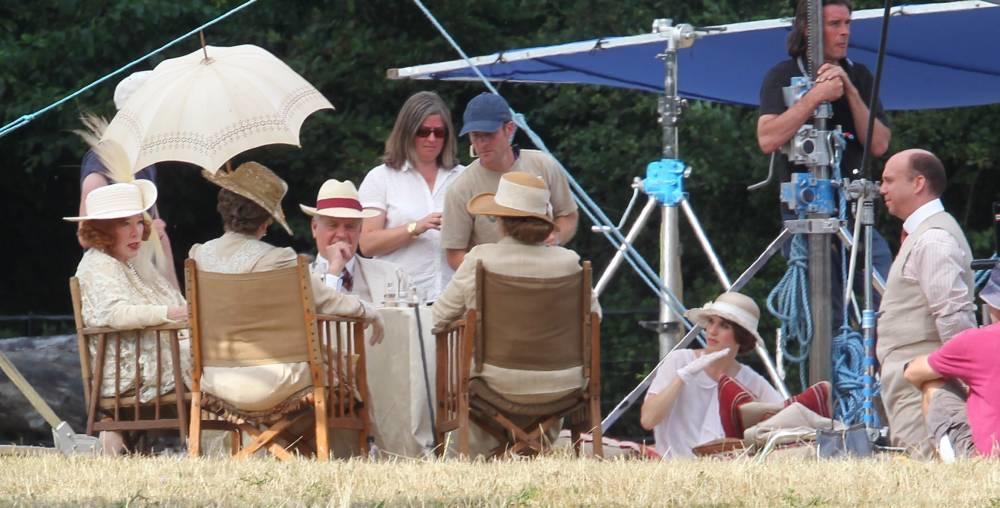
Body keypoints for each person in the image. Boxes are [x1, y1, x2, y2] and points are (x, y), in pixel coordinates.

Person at [189, 162, 384, 413]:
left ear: (223, 209)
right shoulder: (279, 259)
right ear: (267, 219)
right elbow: (329, 301)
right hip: (274, 381)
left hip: (213, 378)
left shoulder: (198, 255)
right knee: (338, 363)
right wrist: (371, 311)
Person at [432, 171, 600, 455]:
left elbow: (439, 318)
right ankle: (533, 446)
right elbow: (596, 319)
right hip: (563, 385)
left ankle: (480, 453)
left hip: (495, 384)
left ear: (500, 221)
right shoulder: (570, 263)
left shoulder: (480, 259)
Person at [756, 0, 892, 327]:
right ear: (810, 27)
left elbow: (879, 143)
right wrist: (814, 97)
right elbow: (767, 139)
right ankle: (835, 372)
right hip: (804, 208)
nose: (844, 31)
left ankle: (882, 367)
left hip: (854, 207)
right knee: (825, 311)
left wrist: (848, 90)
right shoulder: (782, 75)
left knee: (888, 293)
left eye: (847, 23)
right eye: (834, 24)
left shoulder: (859, 74)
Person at [65, 180, 189, 454]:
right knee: (212, 357)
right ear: (103, 230)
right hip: (128, 370)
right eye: (125, 225)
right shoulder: (98, 265)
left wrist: (188, 313)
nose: (136, 232)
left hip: (154, 353)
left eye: (139, 223)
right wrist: (170, 314)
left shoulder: (130, 262)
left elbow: (173, 299)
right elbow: (115, 313)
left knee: (216, 348)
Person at [639, 292, 834, 458]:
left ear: (740, 336)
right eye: (711, 322)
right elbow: (648, 420)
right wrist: (682, 378)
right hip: (672, 467)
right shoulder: (679, 360)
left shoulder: (751, 381)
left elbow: (785, 420)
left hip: (722, 469)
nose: (712, 331)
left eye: (724, 326)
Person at [877, 148, 977, 457]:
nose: (882, 189)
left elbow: (953, 316)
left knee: (924, 469)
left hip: (926, 382)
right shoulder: (926, 234)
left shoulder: (933, 239)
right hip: (920, 378)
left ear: (918, 183)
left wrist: (968, 379)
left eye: (889, 180)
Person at [440, 92, 578, 270]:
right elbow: (454, 254)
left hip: (545, 276)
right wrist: (497, 273)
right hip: (494, 286)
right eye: (475, 135)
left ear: (509, 129)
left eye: (489, 134)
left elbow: (569, 215)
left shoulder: (544, 165)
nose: (482, 143)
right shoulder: (460, 189)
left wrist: (555, 237)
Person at [358, 91, 464, 302]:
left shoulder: (463, 176)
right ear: (407, 132)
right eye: (423, 131)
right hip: (399, 300)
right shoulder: (380, 178)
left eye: (439, 132)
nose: (432, 139)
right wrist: (414, 228)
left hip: (454, 298)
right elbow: (367, 244)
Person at [77, 71, 179, 289]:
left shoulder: (145, 158)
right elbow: (85, 235)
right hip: (118, 285)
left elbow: (158, 234)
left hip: (149, 284)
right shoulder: (102, 158)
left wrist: (176, 294)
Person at [903, 265, 1000, 460]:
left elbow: (913, 372)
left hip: (986, 457)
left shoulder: (977, 341)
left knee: (932, 384)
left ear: (992, 304)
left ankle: (948, 465)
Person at [302, 178, 409, 305]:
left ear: (360, 230)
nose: (341, 234)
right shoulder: (299, 281)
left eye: (350, 226)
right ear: (314, 228)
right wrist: (334, 271)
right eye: (333, 225)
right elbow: (319, 319)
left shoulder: (394, 276)